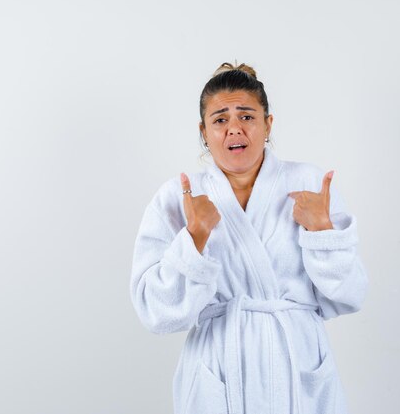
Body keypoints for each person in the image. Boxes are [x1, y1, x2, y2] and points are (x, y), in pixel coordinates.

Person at [129, 62, 369, 414]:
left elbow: (349, 295)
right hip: (219, 366)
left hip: (296, 365)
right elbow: (155, 312)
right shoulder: (178, 198)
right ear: (204, 131)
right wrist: (194, 236)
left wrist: (322, 232)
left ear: (268, 124)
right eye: (220, 119)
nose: (234, 129)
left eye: (246, 116)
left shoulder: (309, 184)